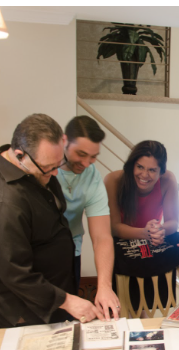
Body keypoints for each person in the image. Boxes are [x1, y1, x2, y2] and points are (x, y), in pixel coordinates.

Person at [0, 114, 104, 328]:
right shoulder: (1, 204)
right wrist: (67, 301)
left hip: (54, 299)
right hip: (23, 313)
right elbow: (16, 273)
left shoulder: (36, 170)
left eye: (58, 164)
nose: (55, 172)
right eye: (49, 167)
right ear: (20, 155)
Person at [103, 141, 179, 311]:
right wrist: (145, 232)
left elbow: (173, 222)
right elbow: (114, 227)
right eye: (140, 167)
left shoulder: (168, 179)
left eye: (152, 170)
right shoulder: (113, 180)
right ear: (131, 165)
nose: (145, 174)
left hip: (153, 237)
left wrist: (159, 231)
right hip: (126, 240)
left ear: (161, 171)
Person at [56, 116, 120, 320]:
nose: (86, 163)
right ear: (64, 141)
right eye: (81, 154)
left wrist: (104, 286)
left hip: (70, 252)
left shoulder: (92, 175)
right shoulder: (47, 168)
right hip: (38, 254)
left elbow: (102, 236)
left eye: (93, 157)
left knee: (66, 321)